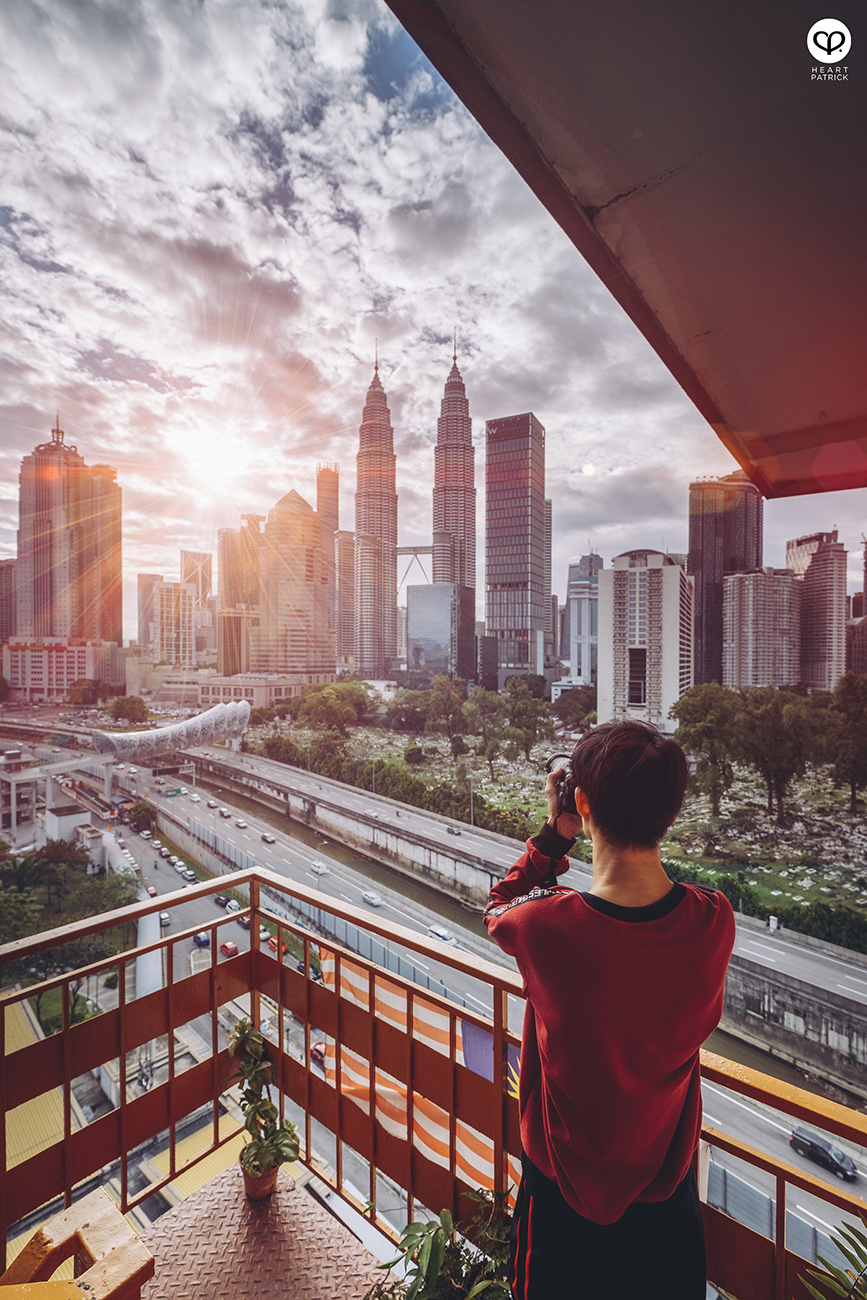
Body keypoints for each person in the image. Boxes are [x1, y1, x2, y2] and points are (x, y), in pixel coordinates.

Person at [484, 720, 735, 1300]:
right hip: (666, 1201)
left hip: (559, 1203)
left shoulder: (546, 927)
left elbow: (500, 905)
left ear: (583, 800)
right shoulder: (711, 920)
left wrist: (555, 833)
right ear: (670, 814)